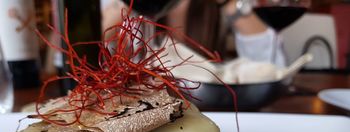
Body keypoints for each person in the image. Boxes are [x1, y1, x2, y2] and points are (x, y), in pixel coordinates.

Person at [101, 0, 286, 67]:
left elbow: (273, 66)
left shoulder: (215, 7)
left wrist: (230, 4)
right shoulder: (119, 5)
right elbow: (84, 63)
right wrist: (109, 23)